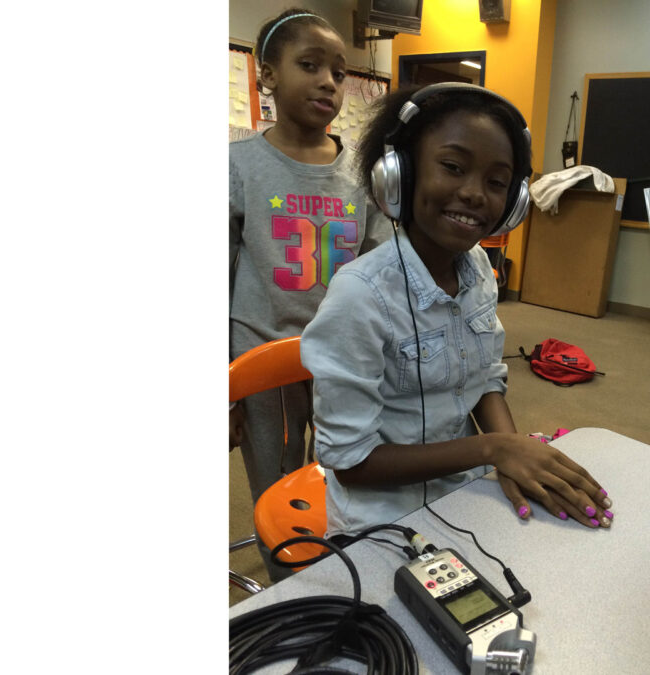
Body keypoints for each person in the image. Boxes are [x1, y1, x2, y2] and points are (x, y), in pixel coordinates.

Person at [301, 83, 614, 538]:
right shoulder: (360, 296)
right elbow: (350, 463)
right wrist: (494, 450)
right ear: (399, 174)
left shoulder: (479, 267)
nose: (474, 194)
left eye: (497, 182)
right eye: (452, 167)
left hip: (466, 491)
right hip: (382, 520)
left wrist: (511, 454)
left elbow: (483, 377)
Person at [229, 8, 391, 578]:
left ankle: (339, 579)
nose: (328, 82)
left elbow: (381, 271)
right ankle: (289, 591)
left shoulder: (362, 174)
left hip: (341, 359)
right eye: (310, 65)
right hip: (262, 354)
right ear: (268, 74)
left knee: (342, 475)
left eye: (339, 73)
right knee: (277, 485)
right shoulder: (237, 166)